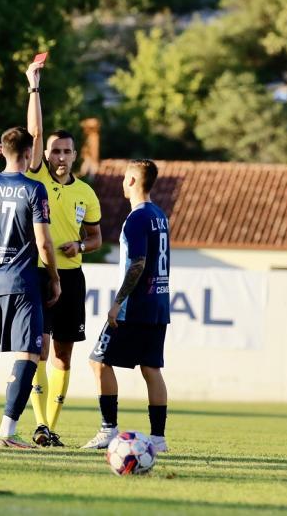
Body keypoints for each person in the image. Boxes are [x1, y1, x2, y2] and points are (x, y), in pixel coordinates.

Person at [0, 126, 61, 448]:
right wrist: (55, 278)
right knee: (28, 355)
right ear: (30, 153)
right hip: (23, 283)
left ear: (3, 151)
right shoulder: (34, 190)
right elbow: (44, 243)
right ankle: (7, 432)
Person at [24, 61, 102, 446]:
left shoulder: (86, 192)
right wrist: (34, 88)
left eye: (67, 151)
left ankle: (50, 427)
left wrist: (81, 246)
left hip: (71, 275)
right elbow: (34, 131)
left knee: (63, 354)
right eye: (55, 150)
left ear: (75, 156)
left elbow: (97, 238)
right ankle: (38, 423)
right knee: (35, 346)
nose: (60, 156)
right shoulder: (36, 175)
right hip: (37, 272)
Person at [81, 159, 170, 453]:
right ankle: (158, 438)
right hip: (158, 304)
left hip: (135, 307)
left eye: (124, 178)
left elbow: (139, 263)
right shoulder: (160, 215)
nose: (122, 182)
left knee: (99, 360)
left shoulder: (136, 219)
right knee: (151, 368)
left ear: (132, 180)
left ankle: (108, 429)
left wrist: (118, 303)